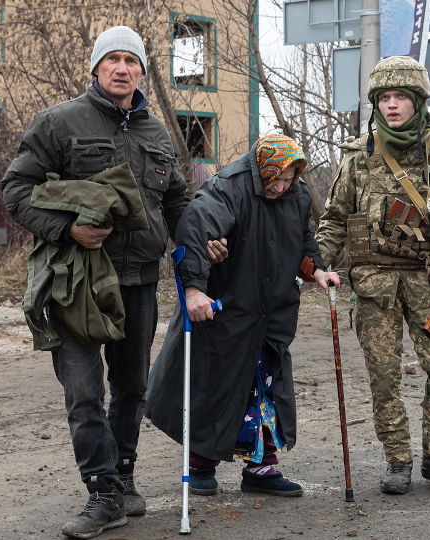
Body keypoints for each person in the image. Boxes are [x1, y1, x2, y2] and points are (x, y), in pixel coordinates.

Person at [1, 26, 226, 538]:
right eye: (113, 60)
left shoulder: (156, 133)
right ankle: (101, 491)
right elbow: (16, 189)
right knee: (83, 390)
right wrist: (67, 228)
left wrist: (202, 241)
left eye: (133, 61)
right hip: (75, 279)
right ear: (96, 68)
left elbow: (175, 206)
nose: (123, 68)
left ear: (142, 71)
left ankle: (122, 477)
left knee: (132, 388)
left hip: (139, 279)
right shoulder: (59, 122)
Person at [314, 56, 430, 495]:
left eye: (401, 97)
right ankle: (398, 460)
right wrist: (318, 264)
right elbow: (335, 218)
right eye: (385, 97)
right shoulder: (360, 156)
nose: (392, 106)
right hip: (374, 289)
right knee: (385, 380)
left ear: (418, 101)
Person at [145, 134, 340, 498]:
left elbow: (303, 240)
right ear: (262, 167)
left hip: (272, 311)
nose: (280, 186)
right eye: (276, 178)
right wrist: (194, 289)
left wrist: (318, 270)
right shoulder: (228, 187)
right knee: (215, 385)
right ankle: (200, 463)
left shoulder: (295, 195)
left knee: (265, 387)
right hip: (228, 309)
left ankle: (262, 467)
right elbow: (194, 229)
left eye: (288, 179)